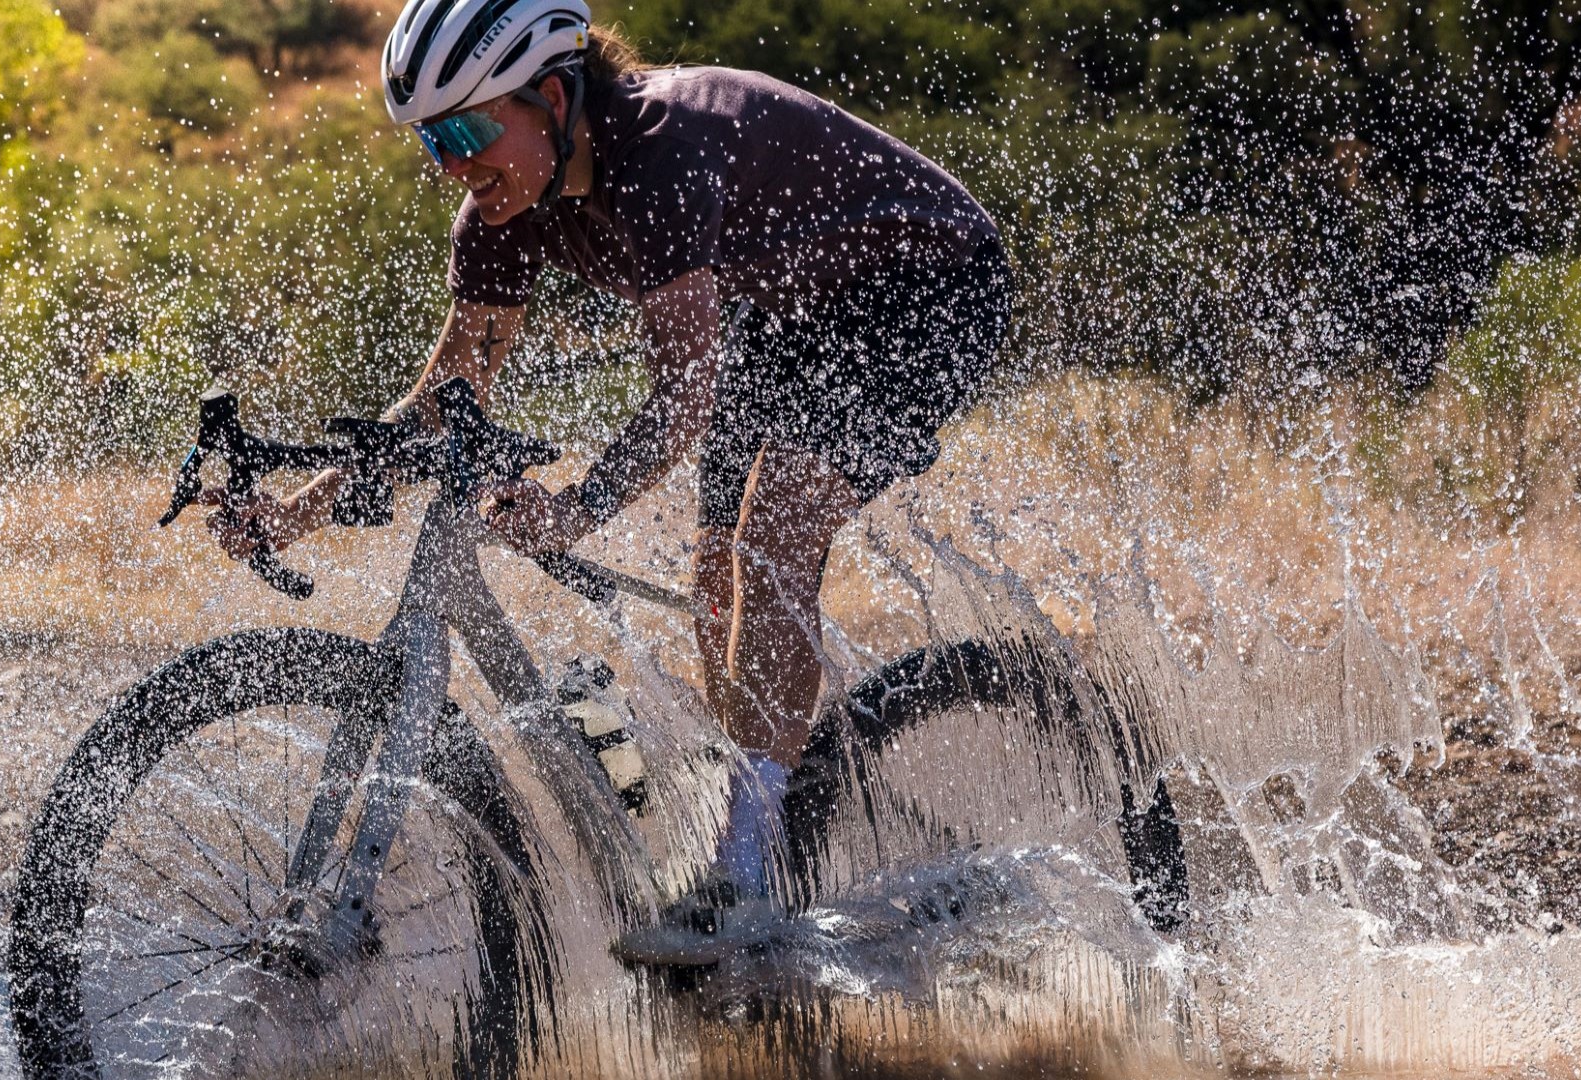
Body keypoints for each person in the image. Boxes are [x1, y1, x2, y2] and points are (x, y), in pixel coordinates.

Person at [210, 0, 1011, 935]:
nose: (455, 167)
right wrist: (292, 512)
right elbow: (445, 389)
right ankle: (783, 813)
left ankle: (744, 881)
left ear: (551, 95)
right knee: (722, 587)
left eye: (470, 130)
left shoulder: (660, 148)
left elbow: (684, 394)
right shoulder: (500, 211)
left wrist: (575, 510)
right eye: (434, 144)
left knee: (773, 531)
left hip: (929, 280)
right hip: (790, 310)